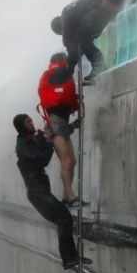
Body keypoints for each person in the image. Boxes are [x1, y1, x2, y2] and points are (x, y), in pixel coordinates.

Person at [13, 114, 92, 269]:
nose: (31, 123)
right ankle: (69, 258)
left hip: (41, 191)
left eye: (30, 120)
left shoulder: (29, 139)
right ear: (22, 126)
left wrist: (49, 135)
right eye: (28, 121)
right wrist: (48, 143)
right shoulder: (22, 145)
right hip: (37, 193)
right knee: (63, 218)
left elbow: (40, 143)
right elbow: (42, 158)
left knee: (63, 218)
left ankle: (71, 257)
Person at [37, 52, 88, 209]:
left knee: (72, 161)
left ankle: (67, 198)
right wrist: (76, 50)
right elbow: (67, 70)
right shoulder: (56, 72)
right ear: (61, 62)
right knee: (66, 161)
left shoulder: (55, 75)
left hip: (61, 123)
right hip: (56, 123)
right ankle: (70, 197)